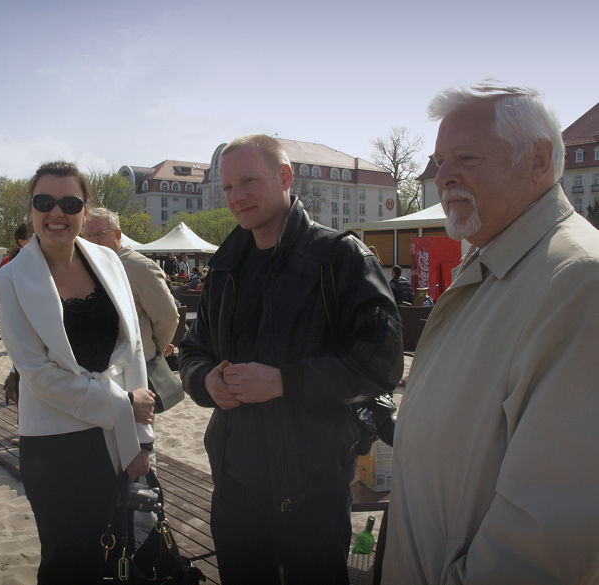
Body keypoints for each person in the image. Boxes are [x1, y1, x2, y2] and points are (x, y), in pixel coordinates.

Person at [382, 82, 599, 585]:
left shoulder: (578, 282)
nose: (443, 176)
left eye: (466, 157)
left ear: (538, 160)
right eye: (440, 161)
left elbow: (547, 531)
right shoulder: (494, 262)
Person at [179, 134, 404, 585]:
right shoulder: (225, 265)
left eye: (249, 181)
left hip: (312, 490)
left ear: (285, 177)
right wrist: (206, 381)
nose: (236, 196)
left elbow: (381, 365)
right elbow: (193, 350)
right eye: (227, 187)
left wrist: (285, 381)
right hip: (233, 484)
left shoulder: (338, 257)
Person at [0, 161, 154, 584]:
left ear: (84, 210)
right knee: (68, 559)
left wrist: (140, 438)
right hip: (56, 444)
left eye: (70, 203)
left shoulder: (108, 260)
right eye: (44, 202)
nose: (56, 213)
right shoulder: (9, 280)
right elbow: (36, 373)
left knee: (122, 550)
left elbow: (132, 346)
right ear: (31, 208)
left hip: (119, 435)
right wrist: (124, 405)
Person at [83, 207, 179, 364]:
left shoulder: (139, 267)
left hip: (135, 368)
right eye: (88, 235)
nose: (93, 240)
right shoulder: (87, 267)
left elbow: (167, 317)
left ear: (118, 235)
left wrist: (152, 350)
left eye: (100, 234)